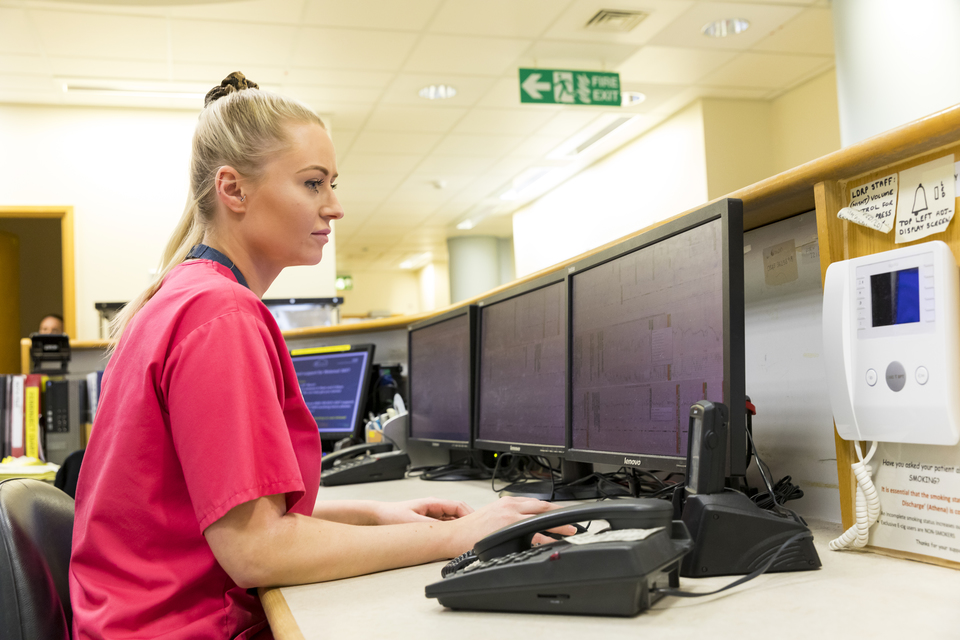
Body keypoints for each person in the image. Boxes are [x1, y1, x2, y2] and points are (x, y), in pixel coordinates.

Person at [69, 72, 568, 639]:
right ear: (233, 190)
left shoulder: (182, 296)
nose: (335, 207)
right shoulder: (220, 314)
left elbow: (221, 515)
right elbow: (256, 550)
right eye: (312, 184)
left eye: (332, 184)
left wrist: (372, 514)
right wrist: (457, 536)